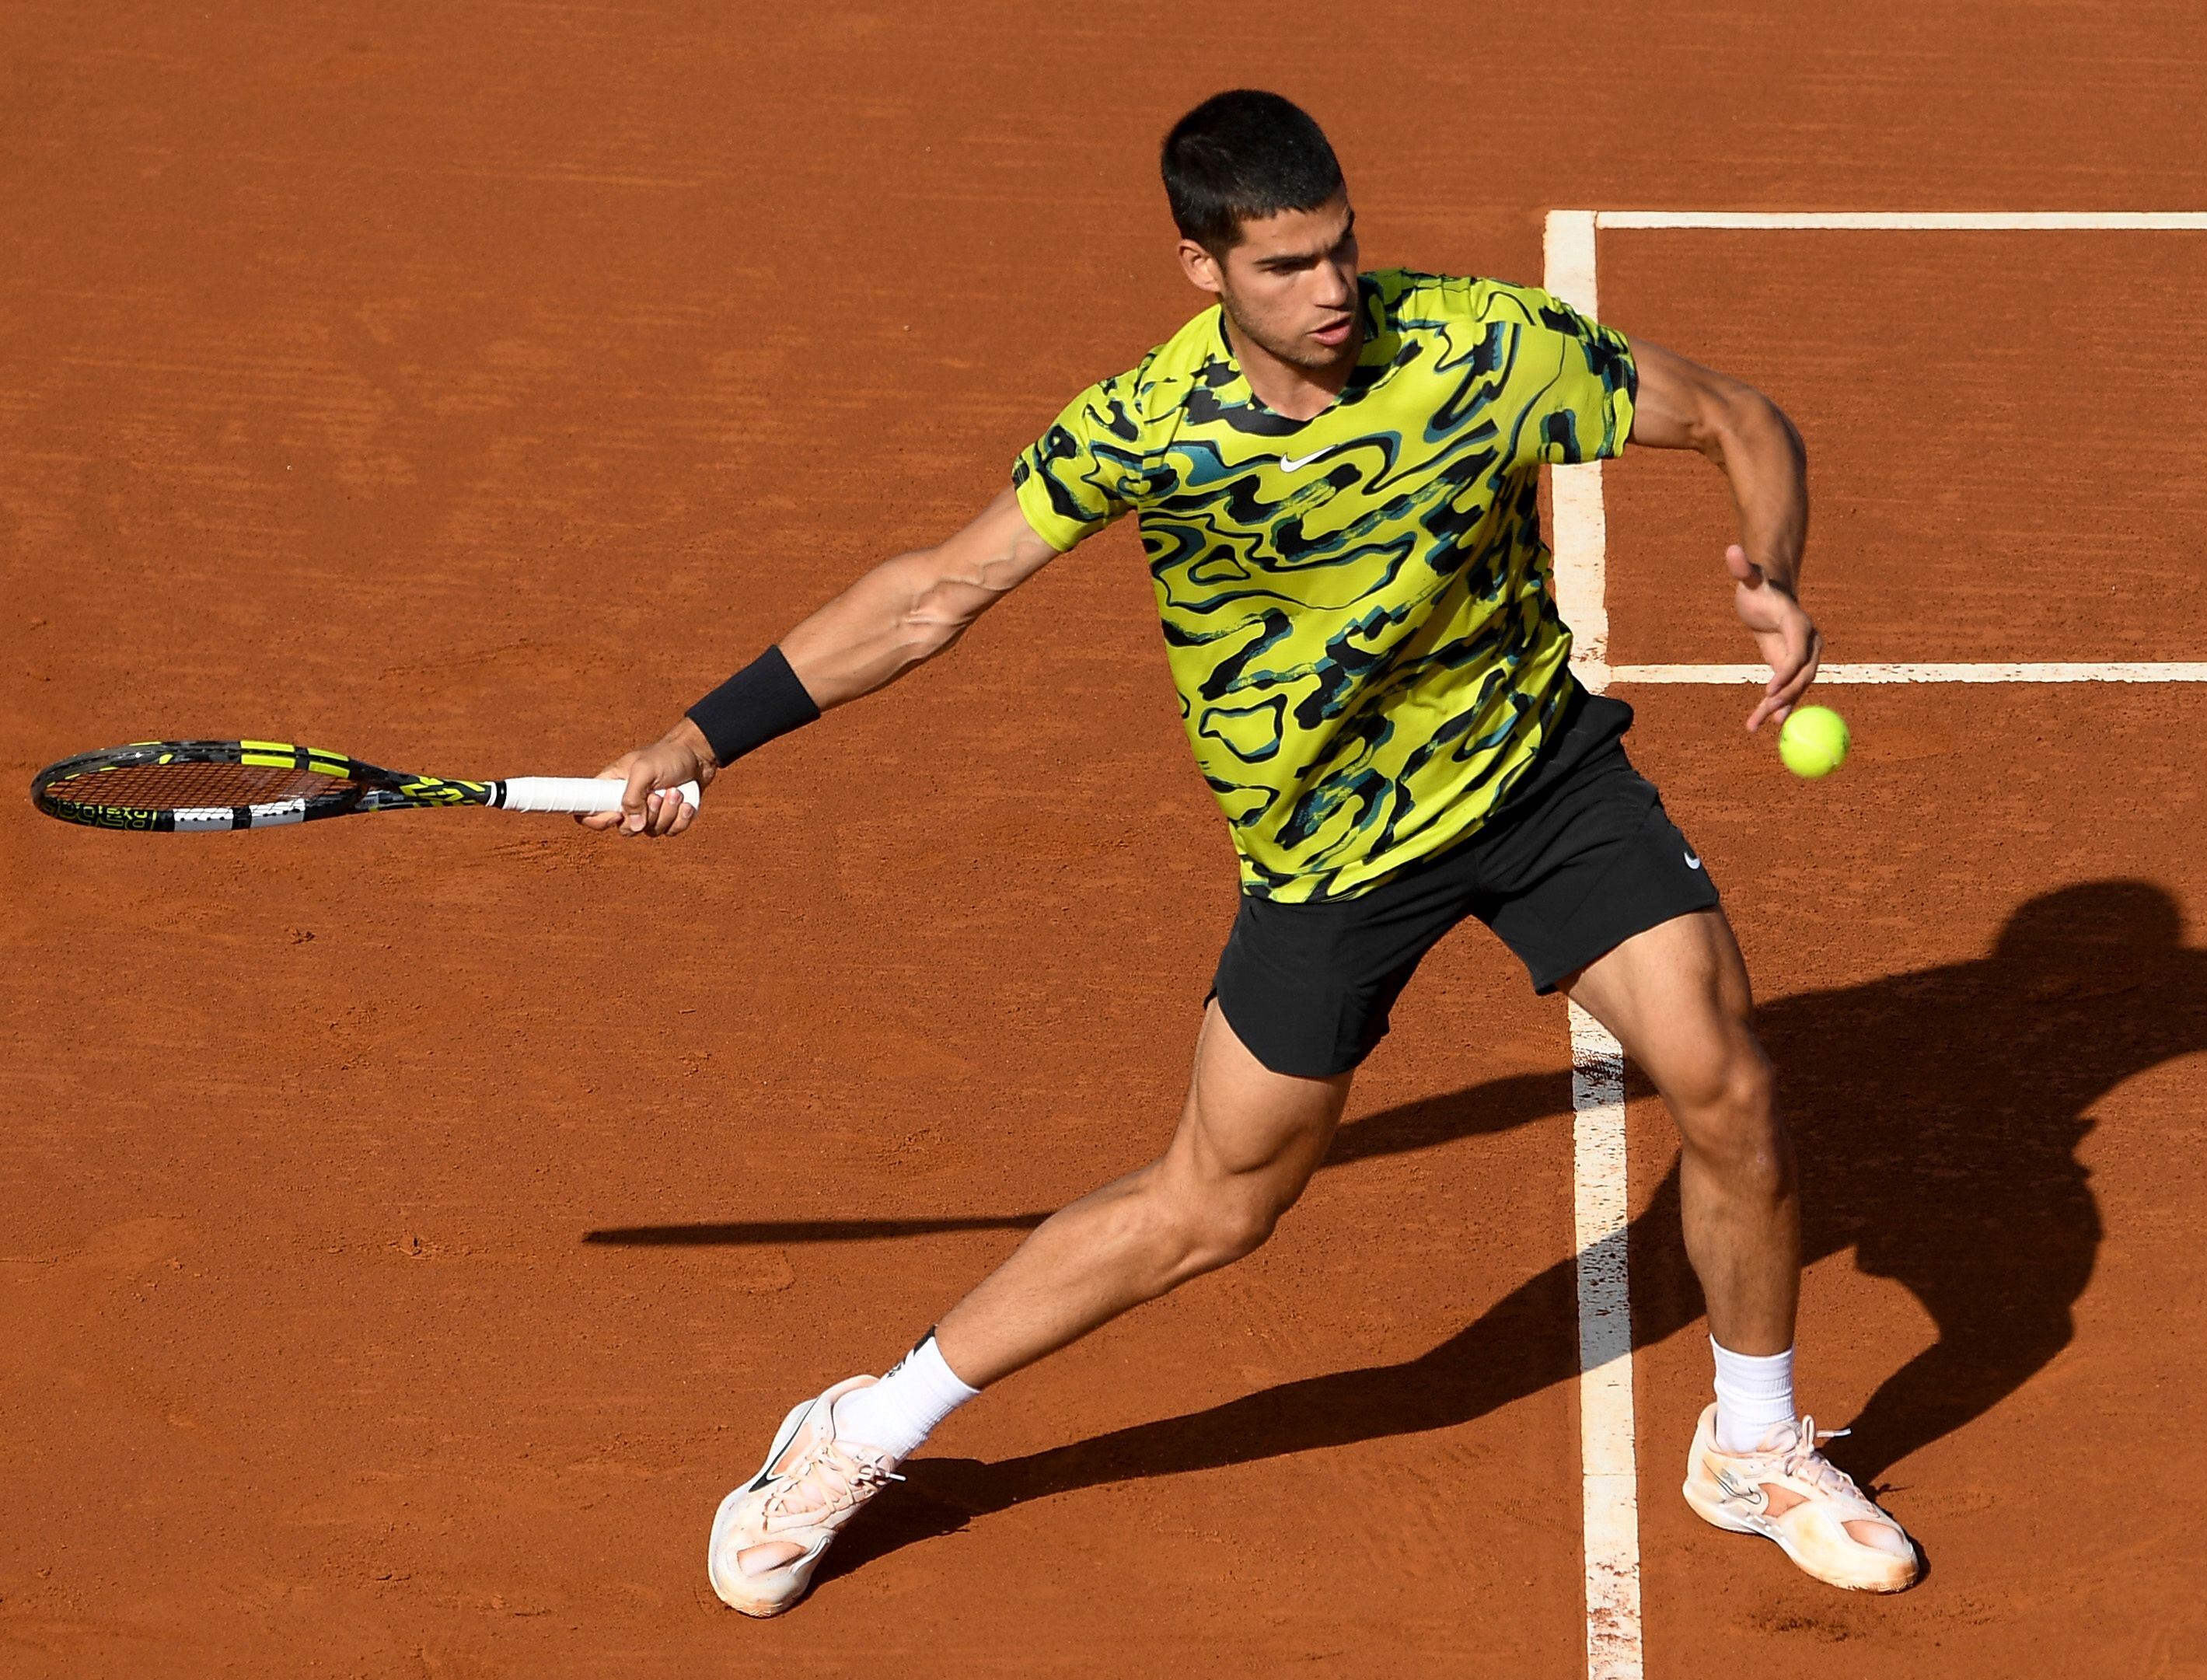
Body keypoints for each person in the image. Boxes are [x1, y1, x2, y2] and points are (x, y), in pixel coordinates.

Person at [586, 88, 1919, 1614]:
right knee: (1213, 1203)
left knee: (1727, 1078)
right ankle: (862, 1426)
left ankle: (1751, 1443)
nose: (1333, 289)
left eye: (1341, 248)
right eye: (1285, 266)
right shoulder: (1149, 431)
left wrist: (1778, 576)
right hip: (1328, 848)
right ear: (1201, 268)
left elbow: (1738, 418)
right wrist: (696, 741)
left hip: (1535, 778)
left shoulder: (1479, 346)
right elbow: (931, 596)